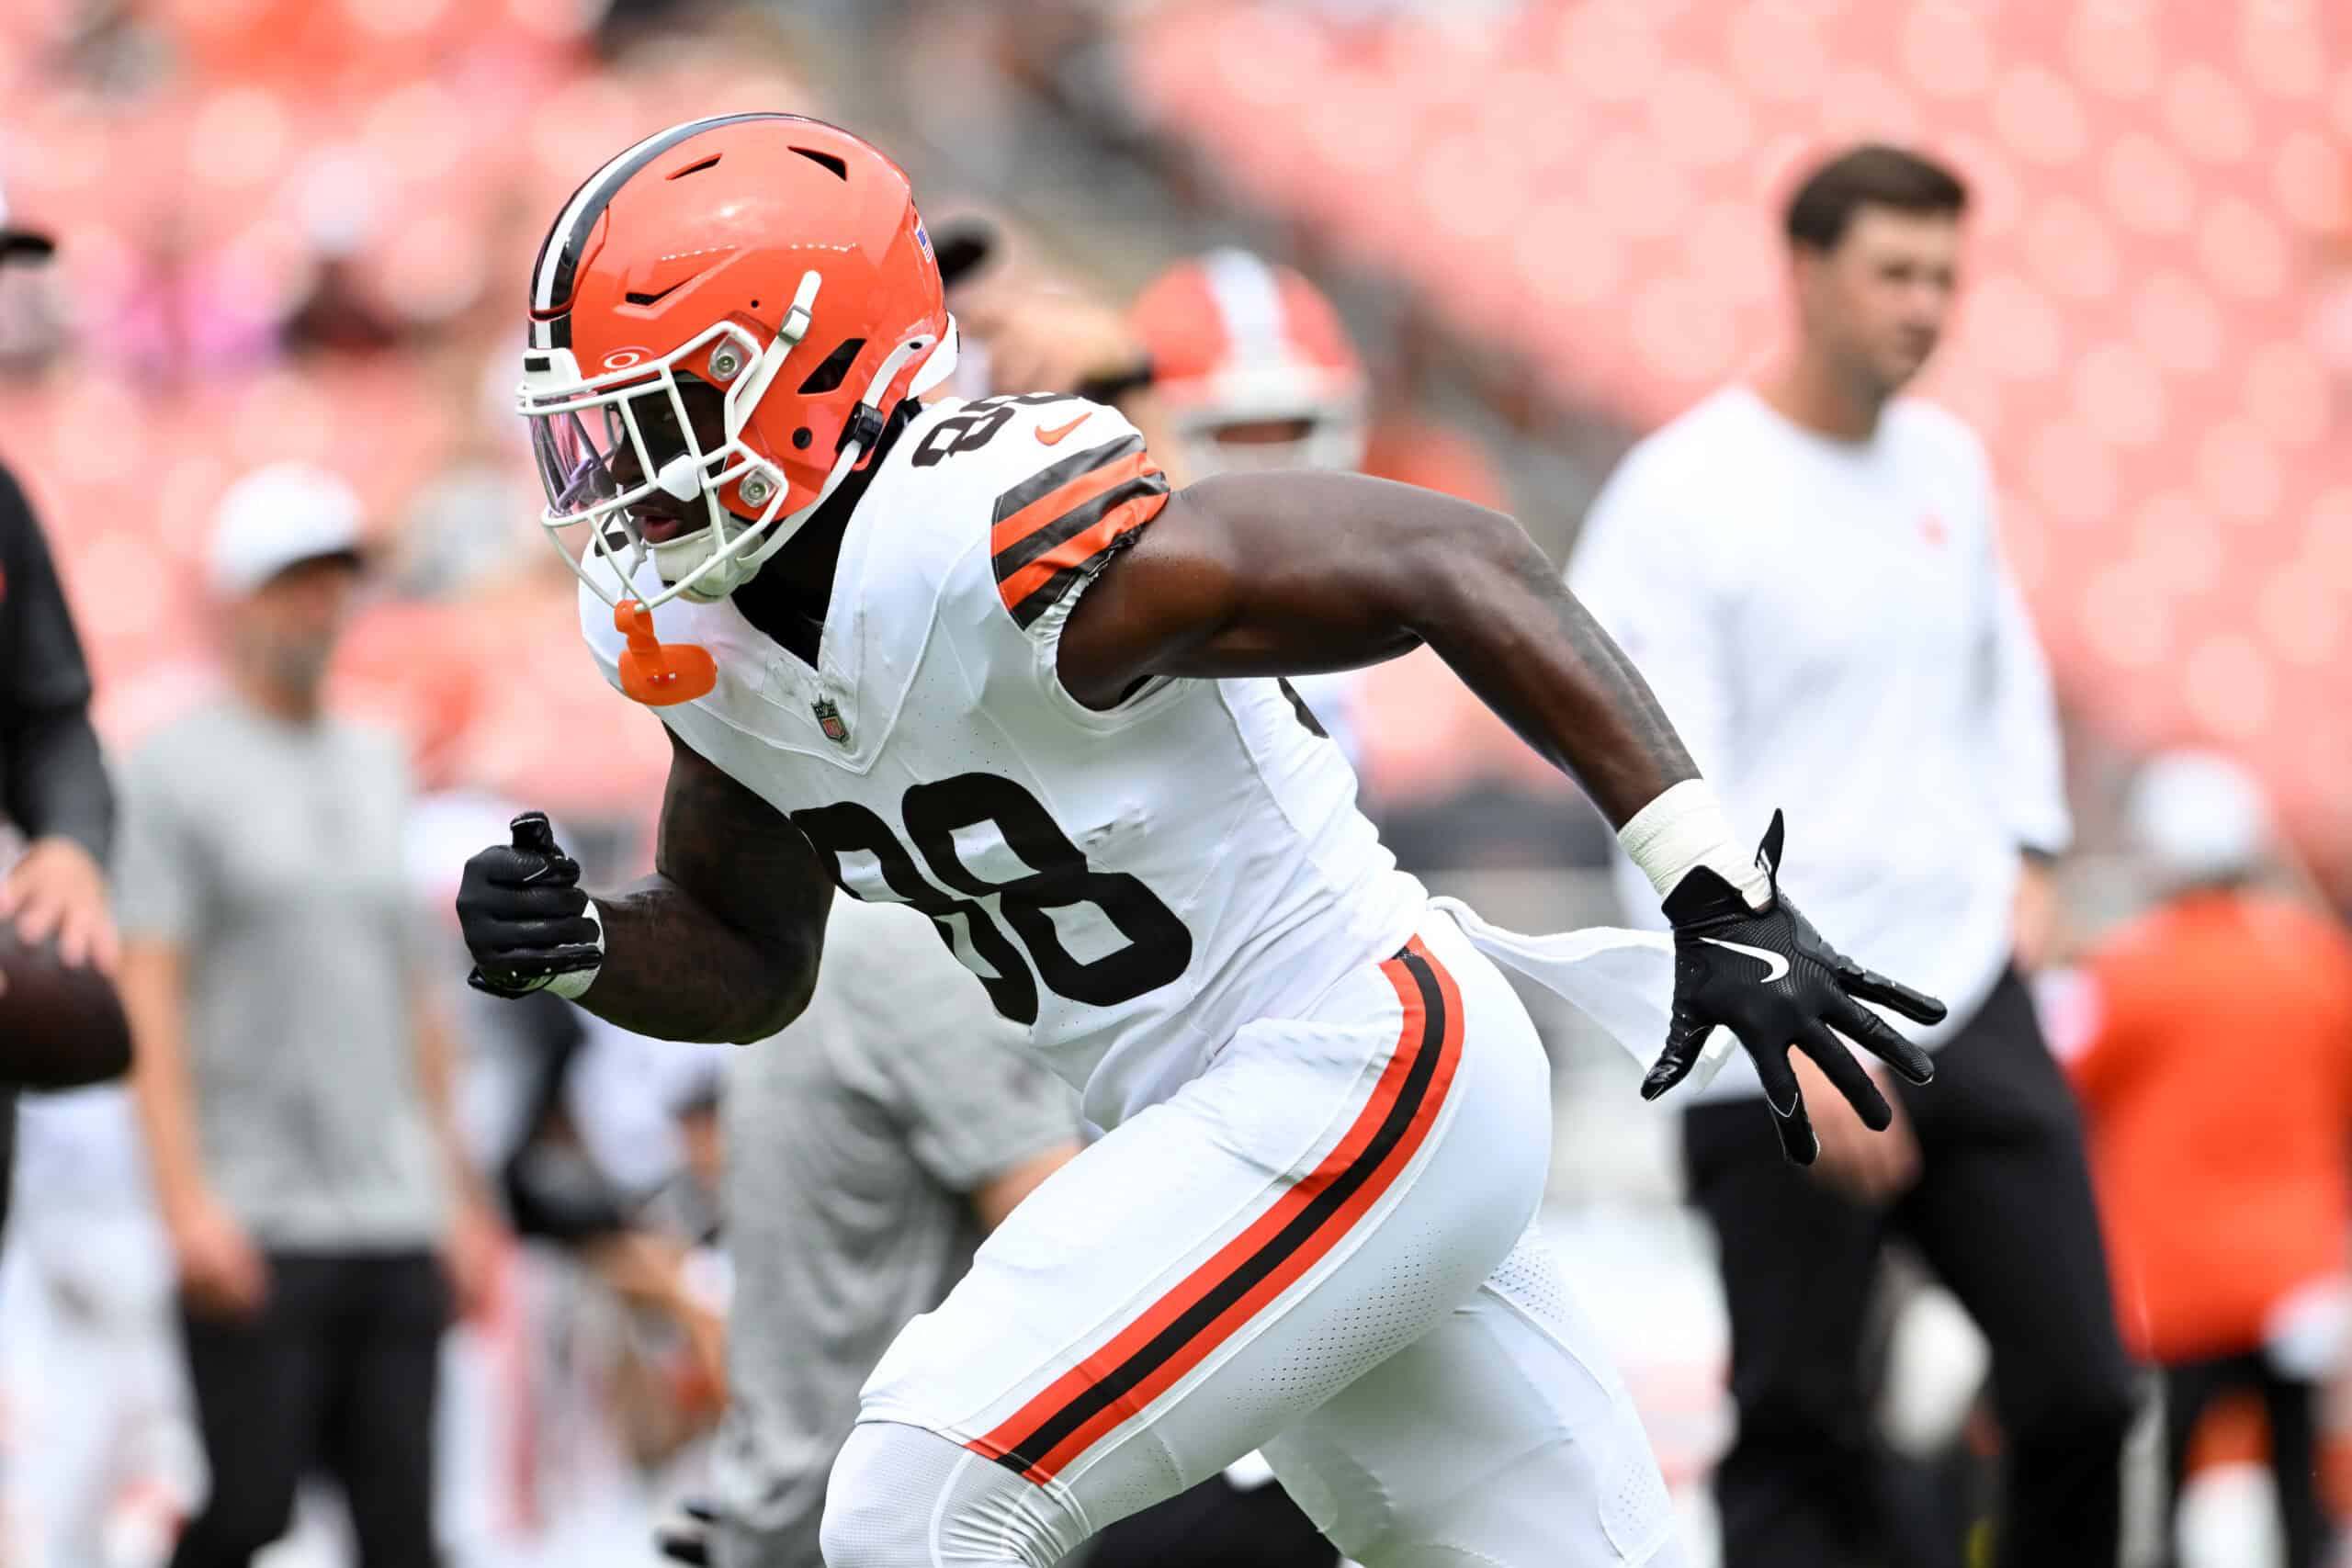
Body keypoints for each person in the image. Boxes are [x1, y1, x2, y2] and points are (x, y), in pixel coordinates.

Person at [455, 114, 1946, 1568]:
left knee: (920, 1500)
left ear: (814, 374)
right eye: (593, 419)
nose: (612, 472)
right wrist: (591, 942)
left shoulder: (982, 529)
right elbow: (748, 952)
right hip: (1217, 1126)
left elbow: (1454, 556)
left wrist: (1712, 880)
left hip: (1352, 1051)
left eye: (660, 407)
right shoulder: (703, 641)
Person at [1568, 143, 2136, 1568]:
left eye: (1947, 274)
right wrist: (1792, 1043)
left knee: (2084, 1387)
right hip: (1774, 1009)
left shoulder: (1948, 463)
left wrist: (2032, 851)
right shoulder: (1683, 493)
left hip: (1958, 979)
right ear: (1805, 271)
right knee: (1802, 1423)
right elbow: (1648, 777)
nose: (1926, 304)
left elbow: (2001, 673)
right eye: (1895, 270)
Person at [117, 463, 501, 1568]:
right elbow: (150, 986)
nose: (321, 605)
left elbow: (415, 993)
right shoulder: (174, 766)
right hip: (258, 1211)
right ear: (236, 597)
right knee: (248, 1510)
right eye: (295, 581)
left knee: (404, 1532)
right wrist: (185, 1202)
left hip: (390, 1211)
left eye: (336, 580)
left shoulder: (382, 753)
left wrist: (458, 1196)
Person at [655, 895, 1081, 1568]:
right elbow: (1066, 1235)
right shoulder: (900, 936)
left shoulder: (802, 928)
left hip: (799, 1506)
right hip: (887, 1525)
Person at [2052, 752, 2352, 1568]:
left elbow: (2061, 1084)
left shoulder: (2132, 971)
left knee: (2172, 1491)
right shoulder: (2318, 959)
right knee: (2302, 1487)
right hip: (2296, 1272)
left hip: (2177, 1285)